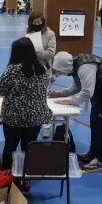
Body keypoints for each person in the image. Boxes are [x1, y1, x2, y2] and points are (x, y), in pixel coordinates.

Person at [49, 52, 102, 171]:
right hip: (101, 95)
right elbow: (75, 88)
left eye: (60, 72)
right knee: (95, 124)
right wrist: (59, 94)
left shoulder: (84, 68)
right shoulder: (75, 67)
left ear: (65, 67)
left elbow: (87, 92)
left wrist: (69, 102)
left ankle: (101, 160)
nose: (60, 74)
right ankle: (93, 153)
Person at [0, 37, 52, 170]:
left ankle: (7, 174)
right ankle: (26, 174)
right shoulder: (42, 69)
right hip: (36, 117)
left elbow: (0, 90)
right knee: (28, 147)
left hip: (14, 117)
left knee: (10, 146)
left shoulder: (12, 70)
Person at [26, 11, 56, 139]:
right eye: (35, 22)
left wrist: (38, 53)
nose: (38, 24)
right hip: (30, 70)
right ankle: (30, 123)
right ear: (31, 22)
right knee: (29, 97)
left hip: (44, 70)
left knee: (44, 99)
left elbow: (51, 52)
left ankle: (47, 127)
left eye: (40, 22)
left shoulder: (50, 34)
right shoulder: (28, 33)